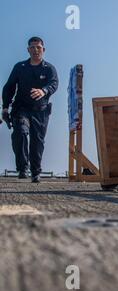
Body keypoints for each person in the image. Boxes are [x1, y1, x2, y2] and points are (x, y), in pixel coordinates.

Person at [2, 37, 58, 183]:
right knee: (20, 132)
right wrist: (5, 108)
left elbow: (54, 83)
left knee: (37, 141)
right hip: (21, 108)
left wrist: (44, 91)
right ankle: (22, 168)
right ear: (28, 50)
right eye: (32, 47)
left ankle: (35, 171)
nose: (35, 50)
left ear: (43, 50)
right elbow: (9, 88)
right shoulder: (20, 67)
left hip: (41, 110)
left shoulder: (49, 68)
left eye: (38, 47)